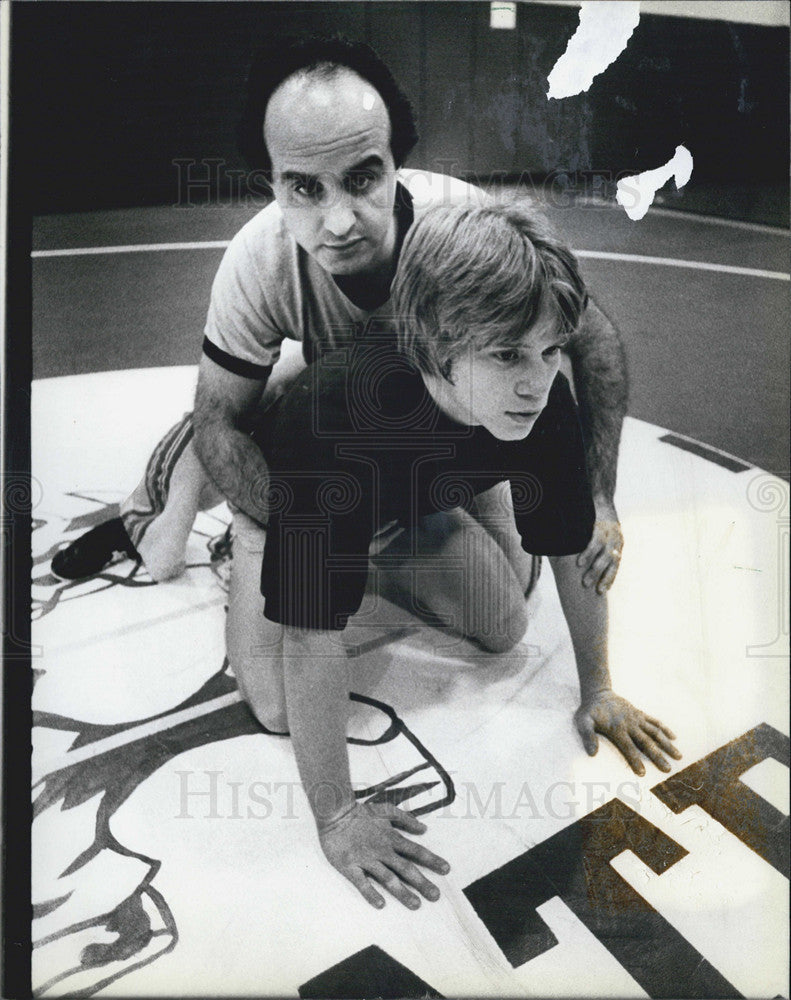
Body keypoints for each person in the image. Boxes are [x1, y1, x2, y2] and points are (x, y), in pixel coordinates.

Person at [51, 34, 627, 599]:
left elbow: (590, 339)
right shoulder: (258, 261)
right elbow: (219, 420)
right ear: (272, 184)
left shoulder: (465, 230)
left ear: (397, 164)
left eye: (362, 178)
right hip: (326, 397)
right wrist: (302, 524)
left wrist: (600, 496)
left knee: (514, 593)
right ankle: (142, 517)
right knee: (249, 414)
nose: (339, 223)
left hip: (440, 412)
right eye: (304, 188)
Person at [239, 199, 681, 911]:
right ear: (436, 346)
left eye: (547, 350)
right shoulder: (334, 420)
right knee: (274, 707)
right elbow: (309, 633)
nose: (534, 381)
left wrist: (597, 688)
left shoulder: (539, 398)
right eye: (506, 354)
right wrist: (337, 816)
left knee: (504, 627)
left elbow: (569, 551)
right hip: (294, 483)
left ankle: (424, 514)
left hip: (422, 485)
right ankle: (211, 483)